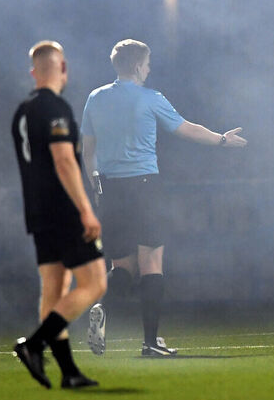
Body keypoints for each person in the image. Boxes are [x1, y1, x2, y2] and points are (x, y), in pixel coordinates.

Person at [81, 38, 247, 357]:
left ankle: (103, 308)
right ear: (138, 66)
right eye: (147, 63)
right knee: (151, 262)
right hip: (143, 185)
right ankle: (150, 342)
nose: (150, 68)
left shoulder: (95, 98)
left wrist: (96, 187)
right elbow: (188, 129)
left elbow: (88, 151)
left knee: (123, 266)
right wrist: (222, 140)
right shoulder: (150, 98)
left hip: (111, 189)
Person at [10, 40, 108, 389]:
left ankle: (68, 372)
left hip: (36, 212)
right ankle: (34, 344)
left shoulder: (22, 111)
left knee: (54, 288)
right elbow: (64, 160)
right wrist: (85, 210)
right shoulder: (55, 107)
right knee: (95, 283)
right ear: (63, 68)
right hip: (63, 210)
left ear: (33, 71)